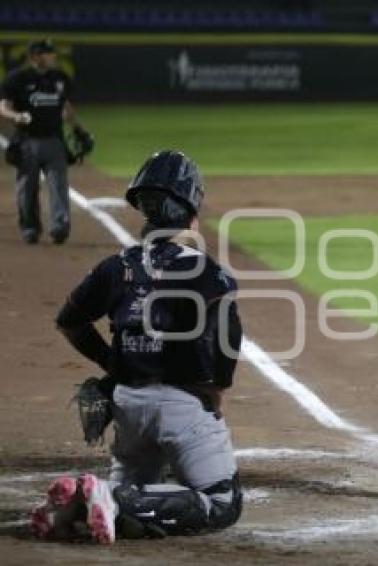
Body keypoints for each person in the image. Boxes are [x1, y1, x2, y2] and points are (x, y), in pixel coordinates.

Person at [29, 150, 244, 543]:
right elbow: (226, 340)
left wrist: (111, 360)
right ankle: (111, 498)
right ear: (191, 208)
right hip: (183, 409)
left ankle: (79, 507)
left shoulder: (117, 266)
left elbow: (69, 321)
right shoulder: (209, 274)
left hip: (126, 404)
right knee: (222, 501)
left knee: (136, 491)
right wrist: (216, 391)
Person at [0, 39, 86, 245]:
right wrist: (16, 116)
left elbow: (66, 107)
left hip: (55, 141)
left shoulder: (60, 78)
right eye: (48, 53)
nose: (53, 57)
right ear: (35, 56)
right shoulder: (17, 79)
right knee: (27, 188)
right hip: (26, 141)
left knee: (58, 185)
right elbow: (3, 107)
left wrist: (78, 130)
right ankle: (30, 227)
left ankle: (60, 226)